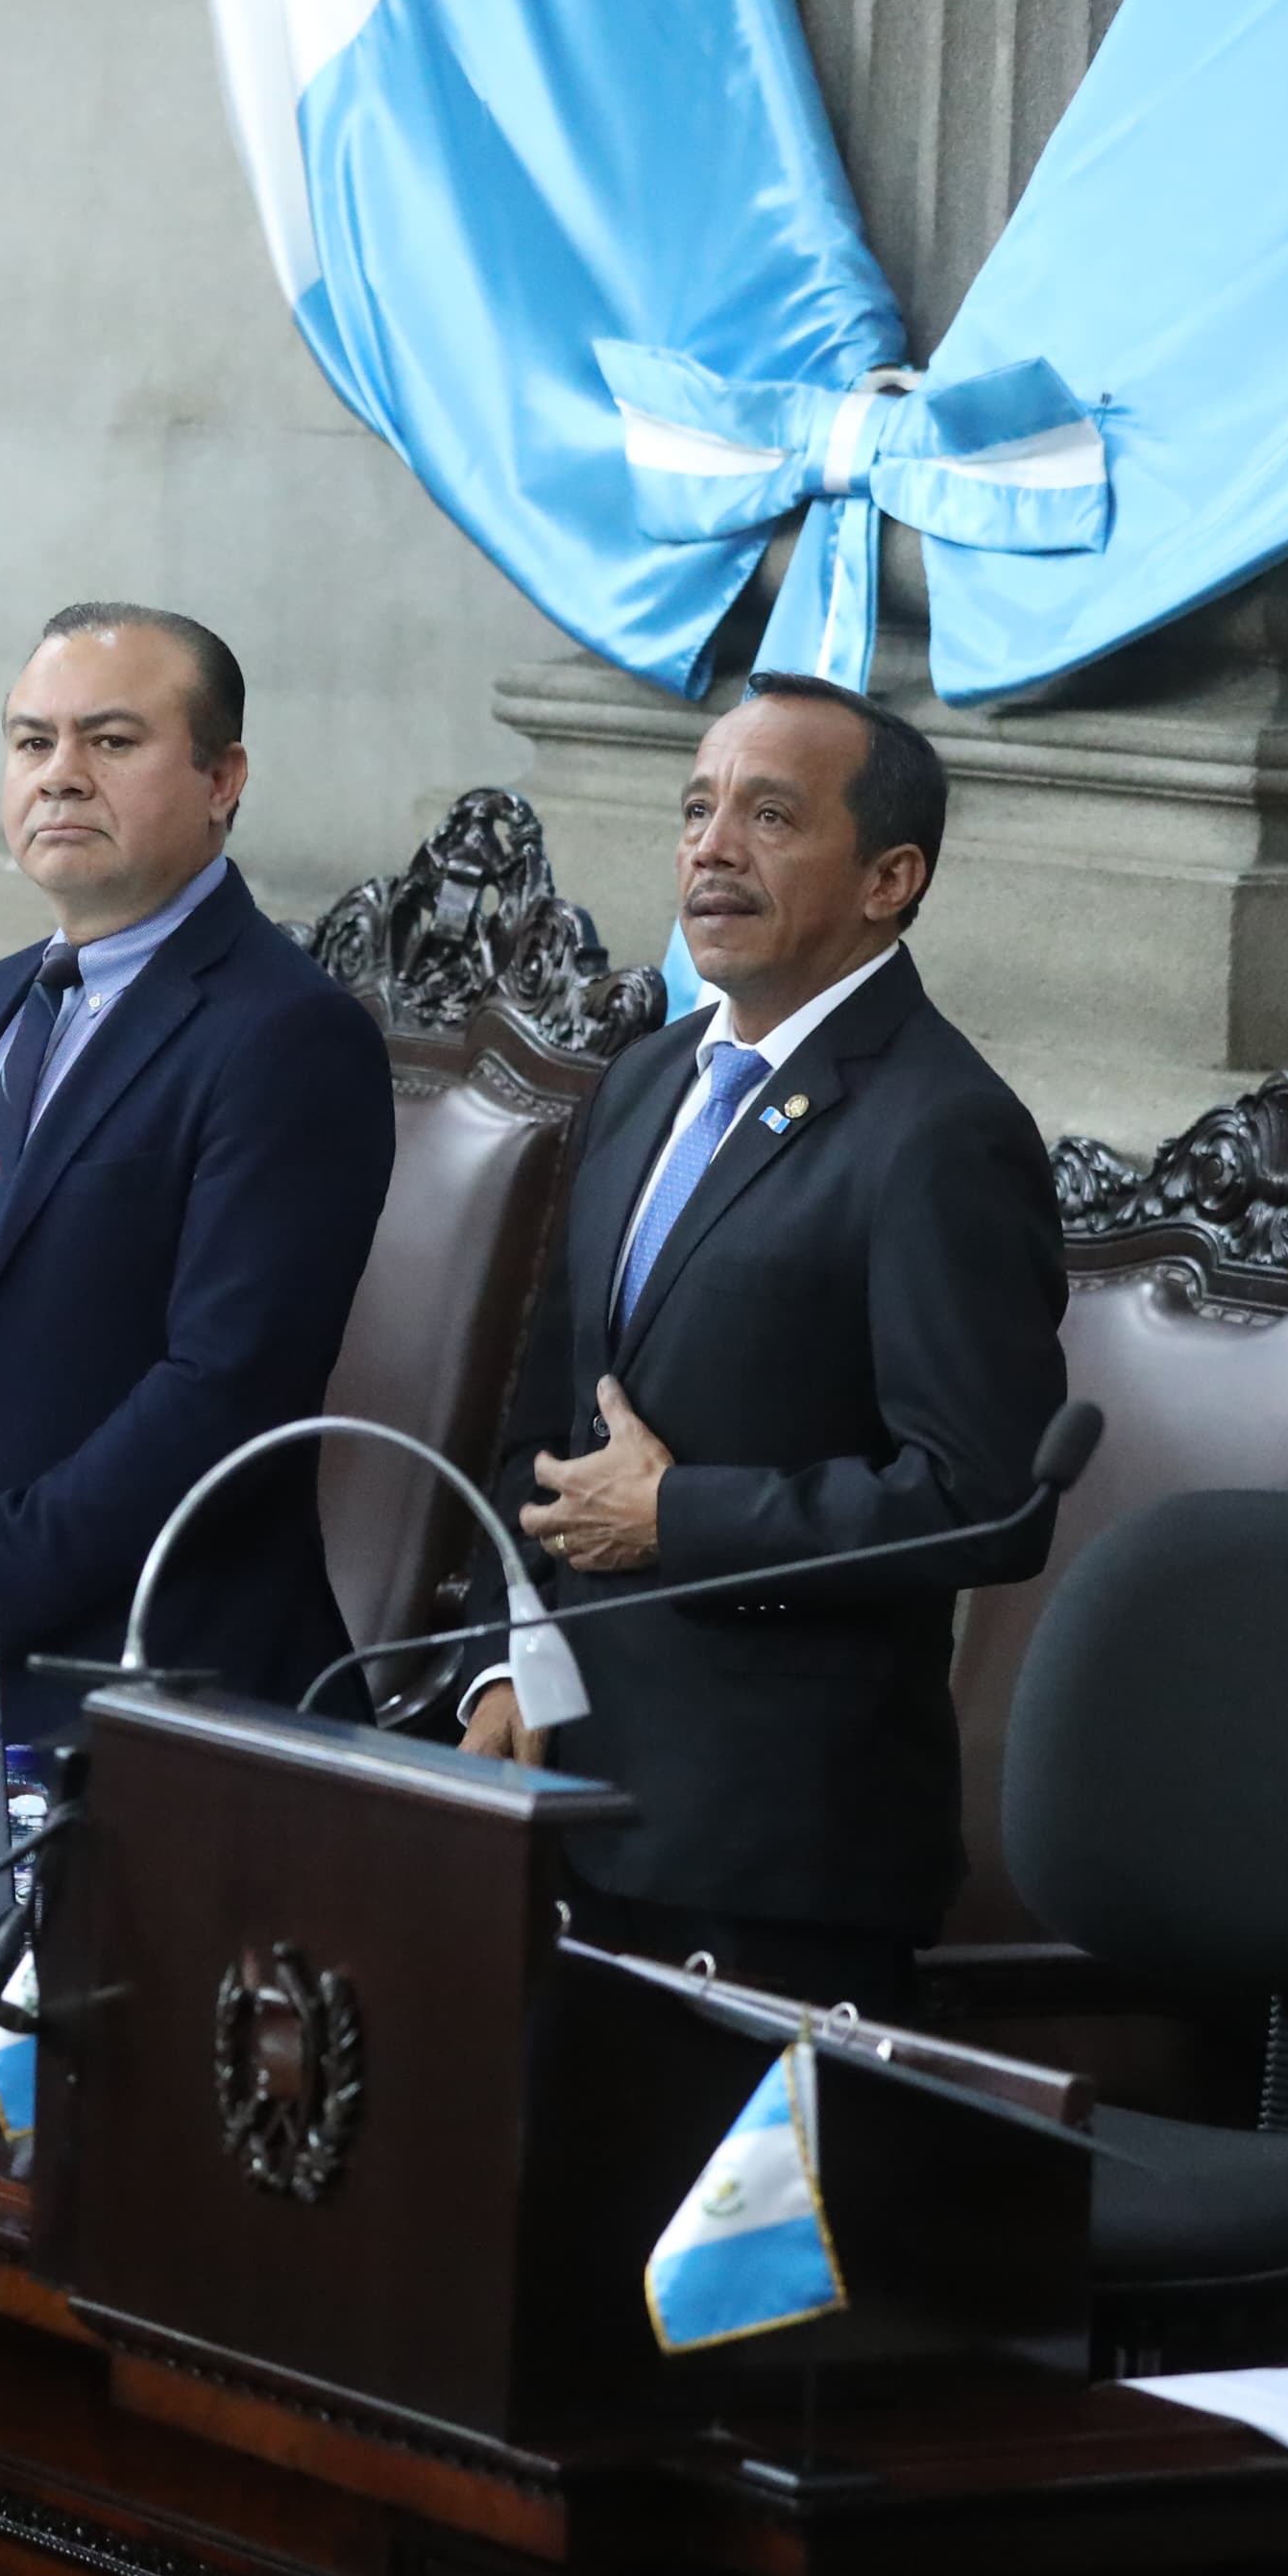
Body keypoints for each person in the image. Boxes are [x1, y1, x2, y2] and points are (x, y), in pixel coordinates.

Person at [461, 671, 1067, 2018]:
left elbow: (984, 1500)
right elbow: (543, 1426)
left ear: (889, 878)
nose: (712, 848)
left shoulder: (938, 1132)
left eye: (772, 816)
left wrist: (682, 1514)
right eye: (697, 808)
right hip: (559, 1802)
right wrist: (500, 1657)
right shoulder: (643, 1079)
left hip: (770, 1857)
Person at [0, 604, 393, 1736]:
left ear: (222, 777)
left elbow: (222, 1387)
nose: (60, 776)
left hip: (154, 1692)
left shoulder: (284, 1033)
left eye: (110, 742)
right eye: (32, 742)